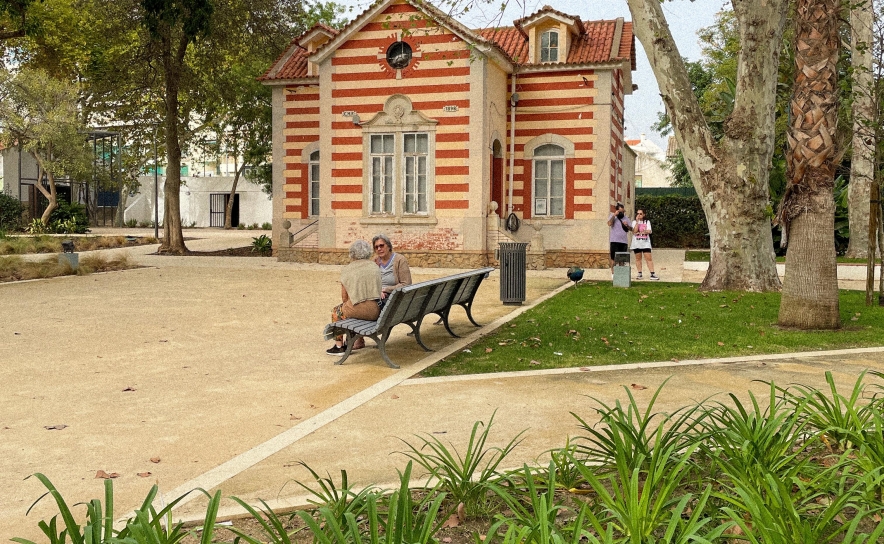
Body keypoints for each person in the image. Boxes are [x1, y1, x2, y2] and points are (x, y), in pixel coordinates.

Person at [327, 240, 382, 355]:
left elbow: (344, 297)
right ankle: (356, 340)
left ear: (352, 253)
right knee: (348, 310)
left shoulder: (348, 269)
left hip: (357, 309)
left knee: (336, 312)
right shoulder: (375, 267)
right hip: (375, 310)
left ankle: (339, 346)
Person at [372, 233, 412, 298]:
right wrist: (378, 291)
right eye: (376, 247)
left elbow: (406, 284)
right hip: (377, 295)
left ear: (388, 246)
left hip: (394, 296)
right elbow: (370, 283)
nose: (379, 249)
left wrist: (386, 290)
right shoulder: (374, 261)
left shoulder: (400, 260)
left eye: (381, 246)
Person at [631, 209, 660, 280]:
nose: (639, 215)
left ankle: (652, 273)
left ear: (644, 215)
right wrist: (637, 222)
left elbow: (649, 231)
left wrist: (642, 232)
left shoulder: (647, 222)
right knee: (638, 258)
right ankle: (639, 273)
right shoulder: (634, 222)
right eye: (638, 213)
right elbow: (634, 231)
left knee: (648, 258)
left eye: (641, 214)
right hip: (637, 243)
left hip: (645, 243)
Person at [607, 202, 632, 278]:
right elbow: (609, 223)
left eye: (623, 211)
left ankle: (621, 274)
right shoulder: (613, 216)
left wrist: (627, 225)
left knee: (622, 258)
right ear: (617, 211)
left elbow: (631, 229)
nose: (622, 213)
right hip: (614, 240)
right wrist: (614, 215)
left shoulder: (626, 218)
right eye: (620, 211)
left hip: (623, 241)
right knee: (613, 258)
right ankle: (613, 273)